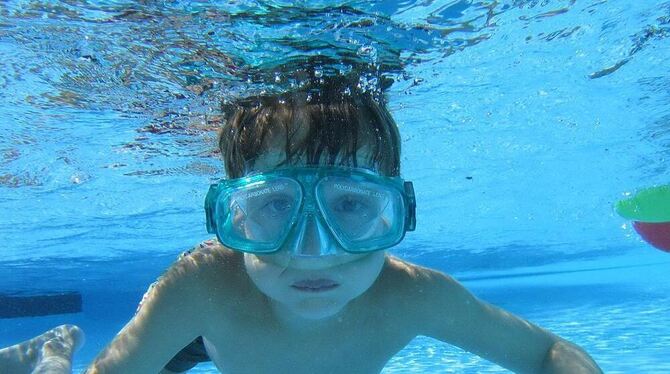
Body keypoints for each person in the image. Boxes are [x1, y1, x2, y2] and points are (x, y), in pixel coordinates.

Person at [2, 76, 603, 374]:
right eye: (274, 206)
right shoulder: (203, 284)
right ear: (228, 217)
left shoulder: (413, 297)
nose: (313, 251)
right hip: (205, 334)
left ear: (398, 213)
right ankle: (55, 350)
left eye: (350, 205)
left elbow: (547, 352)